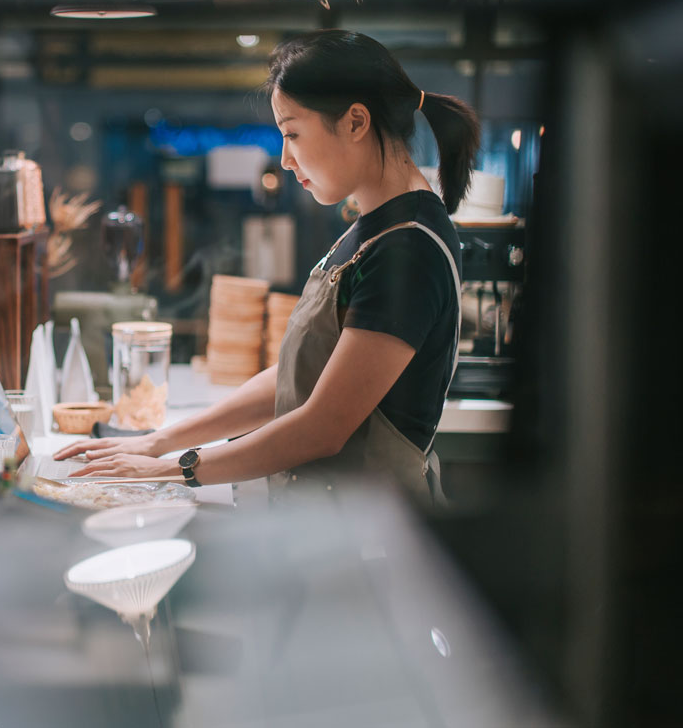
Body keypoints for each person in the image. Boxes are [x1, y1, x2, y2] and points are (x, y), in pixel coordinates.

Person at [56, 29, 480, 505]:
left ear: (356, 121)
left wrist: (174, 469)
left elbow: (323, 428)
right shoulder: (373, 228)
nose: (285, 158)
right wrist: (157, 441)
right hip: (326, 522)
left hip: (372, 537)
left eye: (293, 132)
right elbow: (296, 376)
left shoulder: (409, 249)